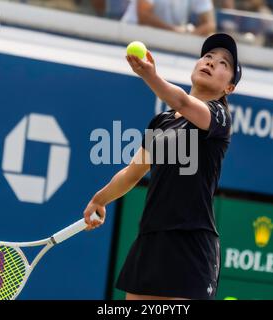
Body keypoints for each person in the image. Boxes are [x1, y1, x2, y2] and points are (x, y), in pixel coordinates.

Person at [83, 33, 242, 300]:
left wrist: (149, 76)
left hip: (191, 243)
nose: (212, 62)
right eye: (208, 56)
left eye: (224, 63)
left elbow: (181, 100)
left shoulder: (220, 117)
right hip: (151, 239)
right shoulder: (163, 121)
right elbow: (133, 172)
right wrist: (100, 199)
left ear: (229, 88)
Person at [121, 0, 216, 36]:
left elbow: (210, 24)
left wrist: (191, 34)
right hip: (131, 36)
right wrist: (176, 31)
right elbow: (143, 15)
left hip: (172, 43)